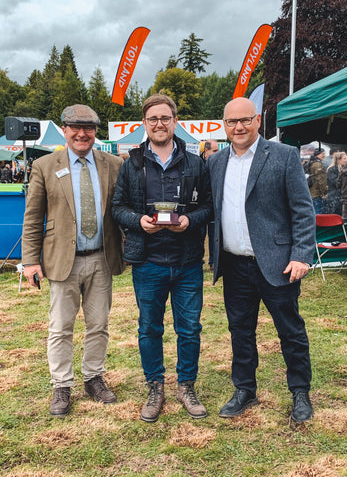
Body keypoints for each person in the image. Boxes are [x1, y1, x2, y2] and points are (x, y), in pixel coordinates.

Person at [208, 97, 316, 423]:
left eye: (245, 120)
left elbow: (302, 210)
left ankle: (300, 392)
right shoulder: (215, 162)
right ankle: (244, 389)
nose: (238, 127)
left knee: (290, 331)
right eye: (231, 122)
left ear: (257, 120)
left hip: (278, 263)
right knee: (240, 330)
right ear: (224, 125)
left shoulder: (283, 156)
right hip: (234, 264)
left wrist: (301, 255)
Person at [112, 93, 212, 423]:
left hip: (186, 263)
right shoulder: (132, 164)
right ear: (145, 123)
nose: (159, 124)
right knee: (149, 328)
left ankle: (186, 386)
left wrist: (190, 221)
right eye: (153, 119)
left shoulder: (196, 163)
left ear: (174, 122)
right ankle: (155, 387)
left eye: (165, 118)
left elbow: (208, 207)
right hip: (148, 262)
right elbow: (118, 209)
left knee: (190, 329)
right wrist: (138, 222)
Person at [22, 104, 125, 417]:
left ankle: (93, 378)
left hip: (101, 258)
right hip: (61, 260)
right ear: (64, 130)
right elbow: (33, 216)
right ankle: (61, 385)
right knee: (60, 326)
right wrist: (30, 260)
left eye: (89, 128)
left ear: (96, 131)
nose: (83, 134)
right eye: (75, 128)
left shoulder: (114, 164)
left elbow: (121, 211)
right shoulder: (44, 165)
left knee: (99, 324)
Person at [202, 140, 219, 270]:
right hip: (201, 206)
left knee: (214, 235)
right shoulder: (198, 164)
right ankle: (198, 259)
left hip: (214, 206)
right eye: (214, 150)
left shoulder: (219, 165)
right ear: (206, 151)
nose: (217, 153)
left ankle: (213, 262)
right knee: (200, 235)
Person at [307, 148, 328, 214]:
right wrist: (324, 192)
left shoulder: (310, 162)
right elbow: (321, 180)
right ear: (318, 154)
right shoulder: (318, 164)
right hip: (316, 193)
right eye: (323, 154)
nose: (324, 155)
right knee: (318, 213)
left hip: (310, 192)